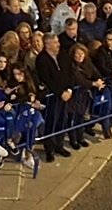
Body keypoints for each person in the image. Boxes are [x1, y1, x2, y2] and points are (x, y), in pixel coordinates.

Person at [33, 34, 72, 163]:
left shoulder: (64, 56)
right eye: (55, 42)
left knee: (62, 121)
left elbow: (70, 73)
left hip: (66, 95)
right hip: (52, 97)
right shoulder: (42, 59)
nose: (58, 44)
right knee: (51, 123)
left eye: (58, 42)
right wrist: (60, 92)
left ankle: (59, 146)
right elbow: (46, 79)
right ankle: (49, 149)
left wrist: (69, 90)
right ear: (47, 44)